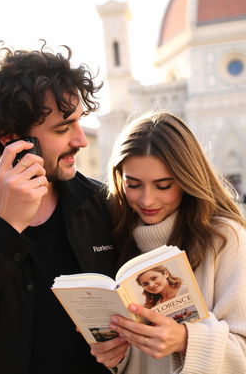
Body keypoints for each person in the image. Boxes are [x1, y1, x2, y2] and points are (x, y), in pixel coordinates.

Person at [0, 41, 128, 374]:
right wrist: (4, 227)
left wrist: (124, 345)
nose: (80, 140)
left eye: (80, 123)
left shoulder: (105, 205)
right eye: (63, 128)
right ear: (12, 138)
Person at [90, 111, 246, 373]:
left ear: (187, 179)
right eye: (134, 184)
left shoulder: (225, 238)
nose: (147, 200)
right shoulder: (115, 233)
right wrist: (114, 355)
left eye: (163, 185)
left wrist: (185, 340)